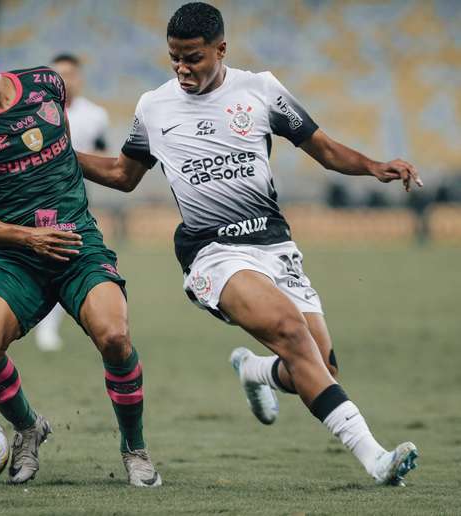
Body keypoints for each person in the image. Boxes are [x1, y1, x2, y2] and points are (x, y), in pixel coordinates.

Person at [77, 2, 422, 486]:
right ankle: (377, 460)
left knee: (320, 367)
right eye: (174, 57)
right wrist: (62, 156)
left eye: (193, 57)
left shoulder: (260, 90)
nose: (182, 68)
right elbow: (123, 175)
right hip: (210, 251)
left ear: (221, 49)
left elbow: (323, 149)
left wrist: (374, 166)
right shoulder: (153, 107)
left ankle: (256, 372)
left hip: (274, 244)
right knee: (291, 331)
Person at [0, 22, 160, 487]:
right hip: (19, 257)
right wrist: (28, 238)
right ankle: (30, 427)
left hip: (78, 246)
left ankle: (134, 448)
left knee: (115, 337)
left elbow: (63, 153)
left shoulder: (45, 85)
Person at [33, 54, 111, 352]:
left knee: (67, 260)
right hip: (37, 199)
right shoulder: (35, 113)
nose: (64, 80)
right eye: (58, 74)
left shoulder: (96, 115)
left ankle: (49, 327)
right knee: (45, 262)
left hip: (76, 201)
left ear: (79, 78)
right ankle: (40, 322)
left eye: (69, 74)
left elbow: (103, 153)